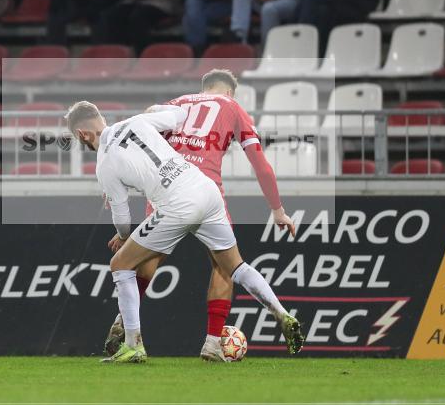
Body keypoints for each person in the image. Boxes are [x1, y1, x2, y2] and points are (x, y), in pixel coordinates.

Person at [66, 99, 304, 363]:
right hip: (205, 188)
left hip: (177, 204)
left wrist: (123, 236)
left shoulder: (105, 164)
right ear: (100, 117)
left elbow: (122, 217)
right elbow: (179, 116)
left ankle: (133, 345)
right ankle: (282, 313)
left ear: (82, 134)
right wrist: (155, 110)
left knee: (120, 264)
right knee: (237, 267)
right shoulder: (137, 121)